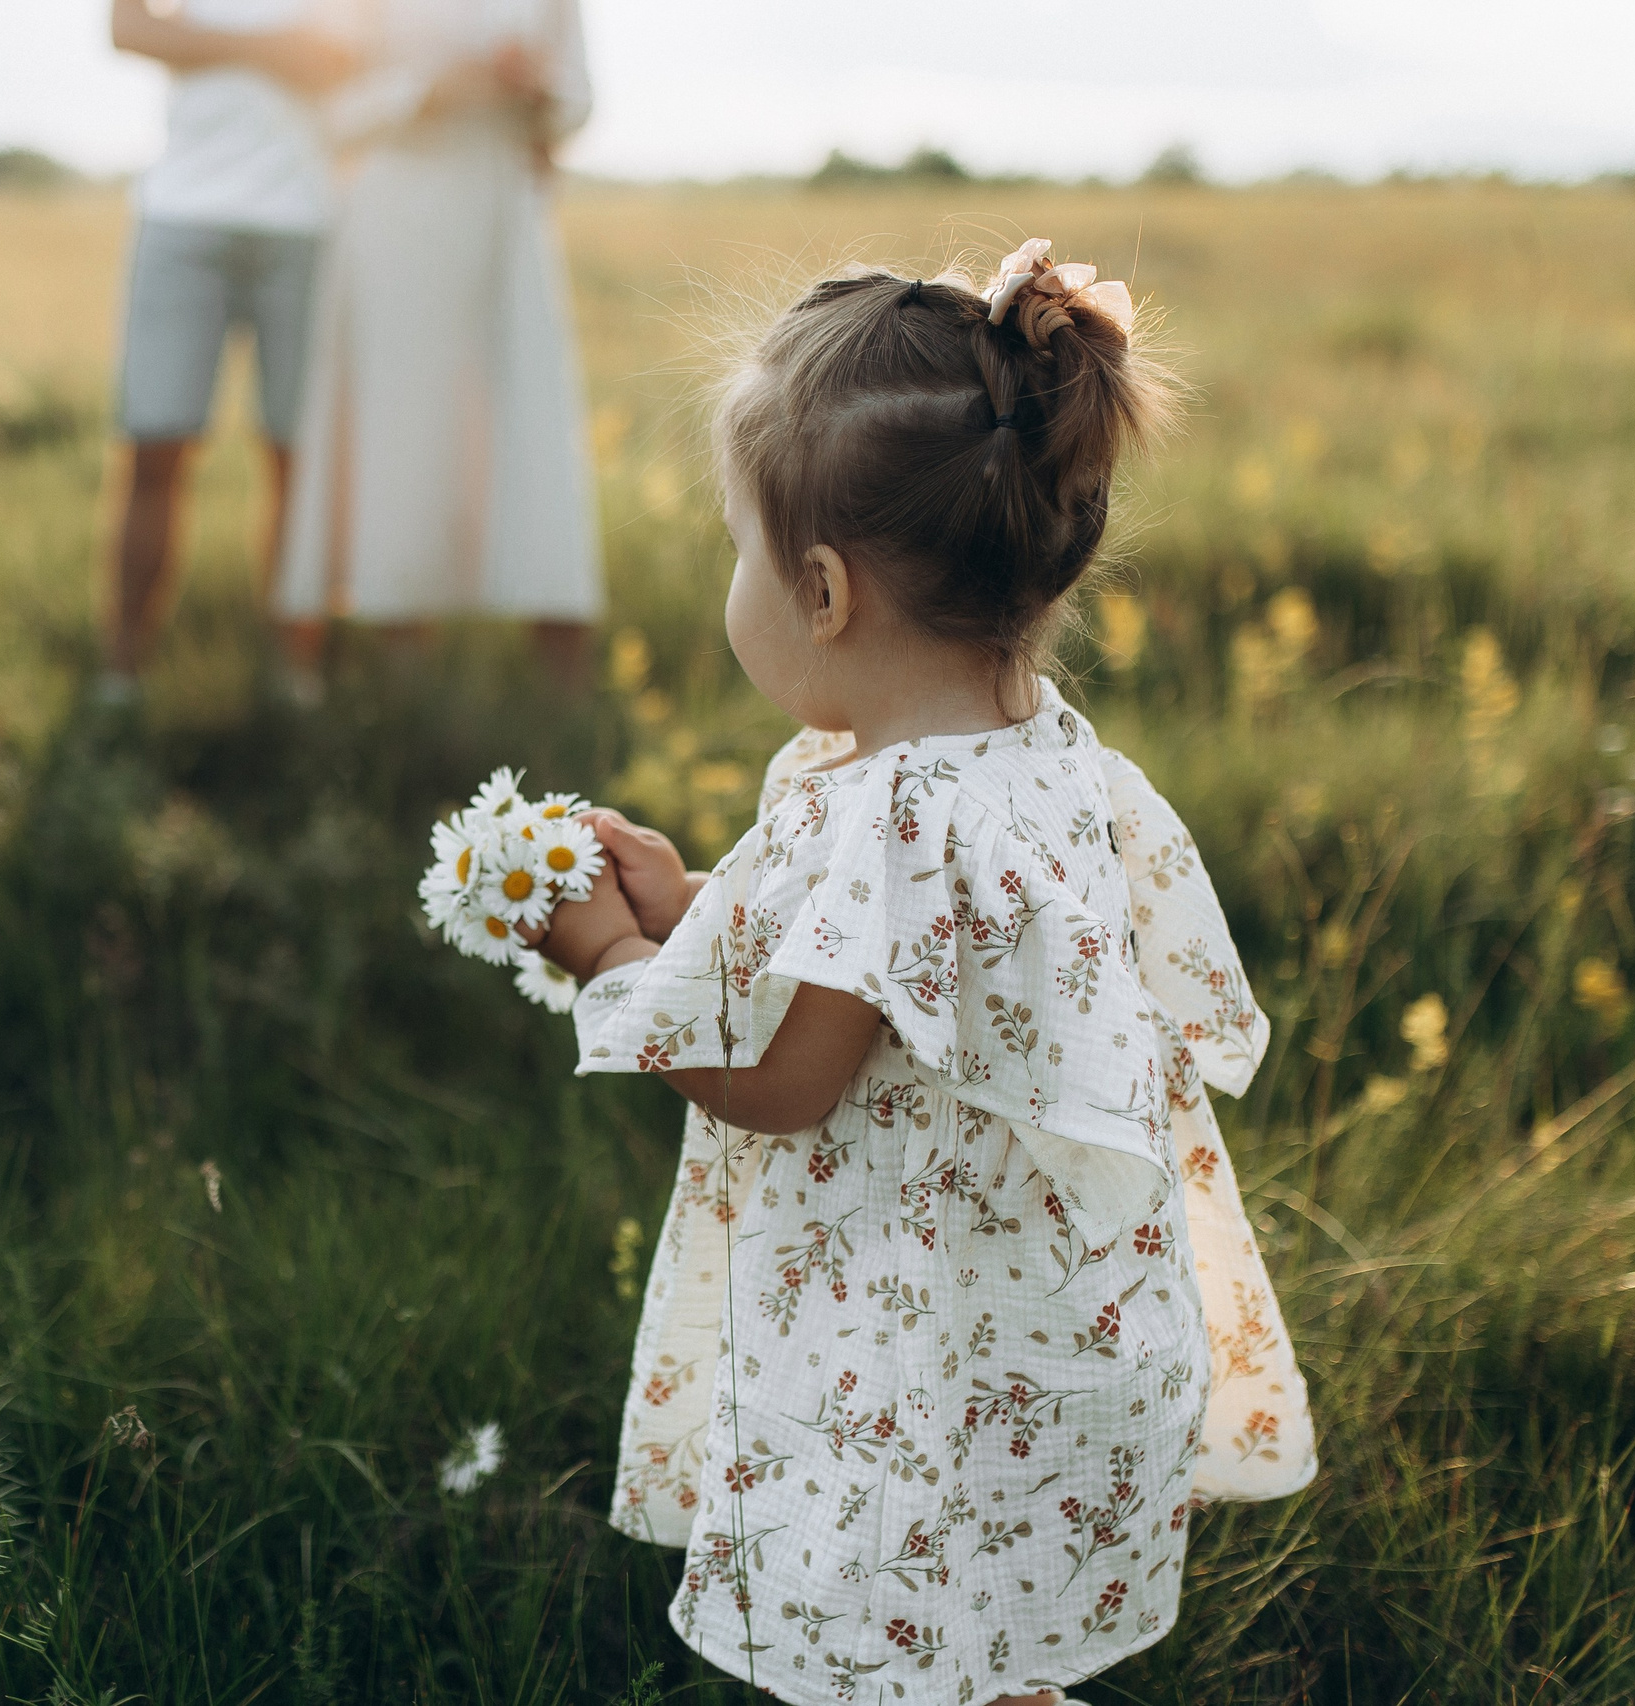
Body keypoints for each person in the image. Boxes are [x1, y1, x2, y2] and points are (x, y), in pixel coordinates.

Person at [529, 244, 1315, 1703]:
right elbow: (909, 983)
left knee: (902, 1648)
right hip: (1055, 1343)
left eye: (740, 553)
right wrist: (708, 903)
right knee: (989, 1648)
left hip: (919, 1367)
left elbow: (789, 1077)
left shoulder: (887, 809)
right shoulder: (1058, 766)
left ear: (821, 589)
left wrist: (622, 959)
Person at [270, 0, 602, 678]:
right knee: (404, 437)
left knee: (530, 432)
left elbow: (581, 98)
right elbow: (327, 112)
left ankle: (560, 689)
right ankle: (406, 677)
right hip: (400, 208)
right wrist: (429, 88)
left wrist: (541, 86)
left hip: (506, 212)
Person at [99, 0, 359, 697]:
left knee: (296, 458)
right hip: (182, 216)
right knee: (153, 445)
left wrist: (205, 42)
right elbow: (127, 26)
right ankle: (122, 669)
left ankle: (296, 671)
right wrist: (273, 50)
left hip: (306, 222)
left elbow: (354, 54)